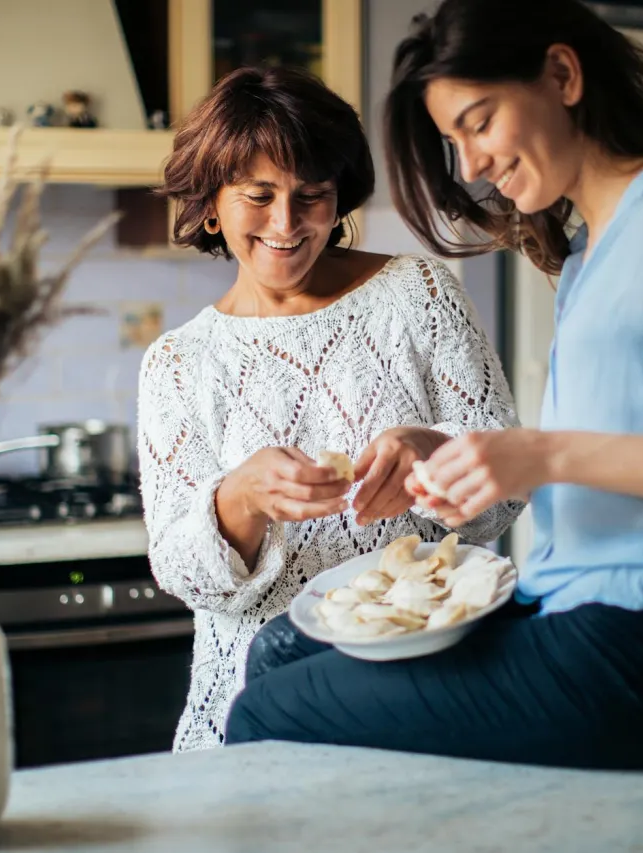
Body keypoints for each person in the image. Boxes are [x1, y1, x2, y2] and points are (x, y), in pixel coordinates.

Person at [226, 0, 643, 770]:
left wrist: (542, 455)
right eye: (455, 142)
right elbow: (610, 446)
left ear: (562, 75)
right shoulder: (590, 255)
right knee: (279, 649)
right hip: (573, 609)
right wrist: (453, 454)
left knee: (264, 710)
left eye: (480, 123)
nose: (471, 166)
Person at [137, 66, 523, 752]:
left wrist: (433, 451)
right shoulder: (178, 363)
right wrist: (240, 499)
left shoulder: (419, 294)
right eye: (259, 196)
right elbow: (183, 573)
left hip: (421, 693)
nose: (286, 223)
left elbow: (504, 500)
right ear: (211, 204)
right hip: (252, 710)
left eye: (311, 195)